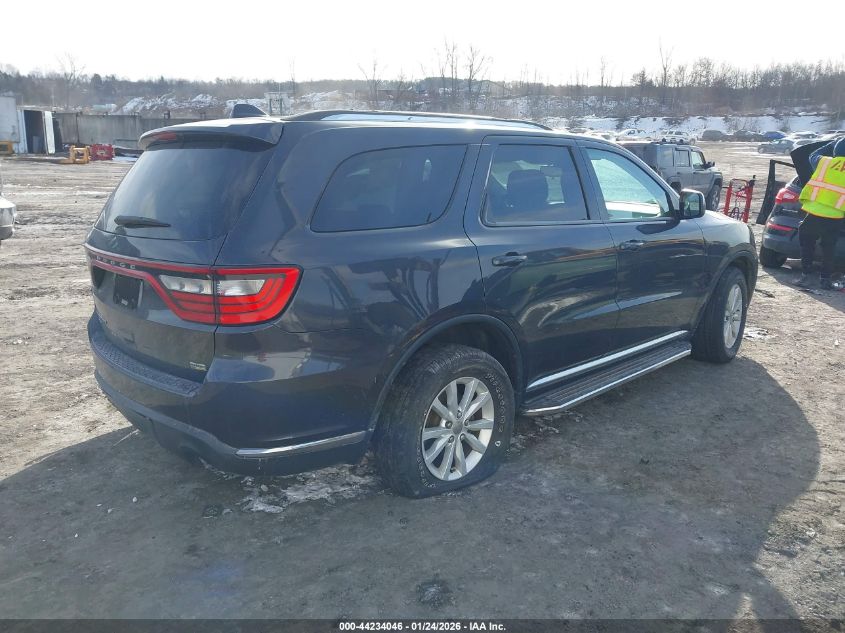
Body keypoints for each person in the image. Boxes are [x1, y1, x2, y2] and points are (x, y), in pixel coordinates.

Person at [794, 136, 845, 289]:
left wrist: (833, 143)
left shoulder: (824, 162)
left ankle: (806, 275)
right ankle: (825, 280)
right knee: (829, 247)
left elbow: (812, 154)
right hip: (836, 215)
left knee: (807, 241)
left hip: (815, 212)